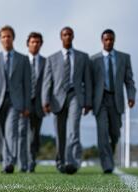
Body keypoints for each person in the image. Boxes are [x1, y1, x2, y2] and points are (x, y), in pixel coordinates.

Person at [42, 27, 92, 174]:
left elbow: (87, 81)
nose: (67, 37)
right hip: (57, 99)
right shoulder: (52, 59)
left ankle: (73, 162)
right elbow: (47, 81)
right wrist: (45, 101)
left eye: (70, 34)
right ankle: (61, 161)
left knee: (73, 130)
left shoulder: (83, 57)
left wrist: (88, 101)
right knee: (60, 132)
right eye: (65, 35)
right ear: (61, 37)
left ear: (73, 36)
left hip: (75, 96)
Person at [0, 25, 31, 174]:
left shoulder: (23, 59)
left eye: (8, 36)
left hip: (15, 103)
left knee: (11, 132)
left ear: (13, 38)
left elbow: (27, 85)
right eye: (3, 36)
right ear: (0, 39)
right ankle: (4, 160)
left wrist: (27, 105)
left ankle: (9, 163)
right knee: (0, 135)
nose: (6, 39)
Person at [91, 29, 136, 173]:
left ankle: (109, 154)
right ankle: (107, 165)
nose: (108, 42)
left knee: (115, 133)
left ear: (114, 40)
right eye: (106, 39)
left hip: (116, 100)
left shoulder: (124, 58)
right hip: (100, 100)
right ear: (102, 40)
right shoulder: (93, 60)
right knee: (102, 132)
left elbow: (129, 80)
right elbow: (89, 82)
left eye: (111, 39)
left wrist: (131, 96)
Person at [26, 32, 47, 172]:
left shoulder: (46, 62)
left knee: (35, 135)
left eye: (38, 42)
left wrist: (48, 102)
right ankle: (26, 161)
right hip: (23, 103)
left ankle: (32, 159)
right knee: (24, 133)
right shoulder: (21, 61)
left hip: (39, 104)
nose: (35, 44)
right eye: (33, 42)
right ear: (28, 44)